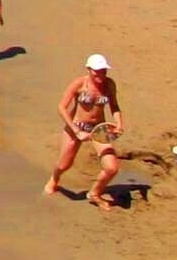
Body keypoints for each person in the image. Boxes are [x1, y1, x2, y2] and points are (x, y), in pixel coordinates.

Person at [53, 55, 127, 208]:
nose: (101, 74)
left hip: (98, 129)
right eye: (97, 71)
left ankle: (94, 193)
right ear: (89, 70)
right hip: (76, 127)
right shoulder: (79, 84)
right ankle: (54, 180)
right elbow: (61, 108)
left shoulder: (109, 85)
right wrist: (76, 131)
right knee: (64, 165)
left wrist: (119, 124)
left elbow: (114, 106)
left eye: (103, 71)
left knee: (112, 167)